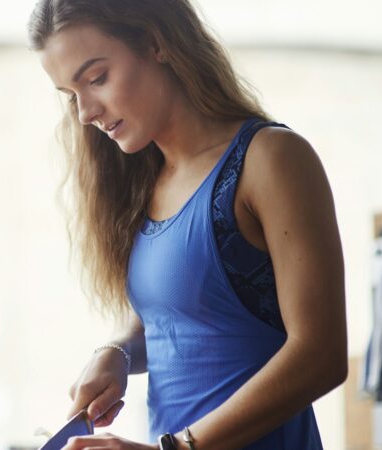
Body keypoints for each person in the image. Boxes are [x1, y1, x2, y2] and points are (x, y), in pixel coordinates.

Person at [26, 1, 347, 449]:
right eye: (70, 94)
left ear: (158, 43)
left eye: (97, 78)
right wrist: (117, 353)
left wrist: (175, 448)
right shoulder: (146, 181)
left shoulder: (270, 160)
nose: (85, 113)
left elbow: (322, 356)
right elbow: (177, 321)